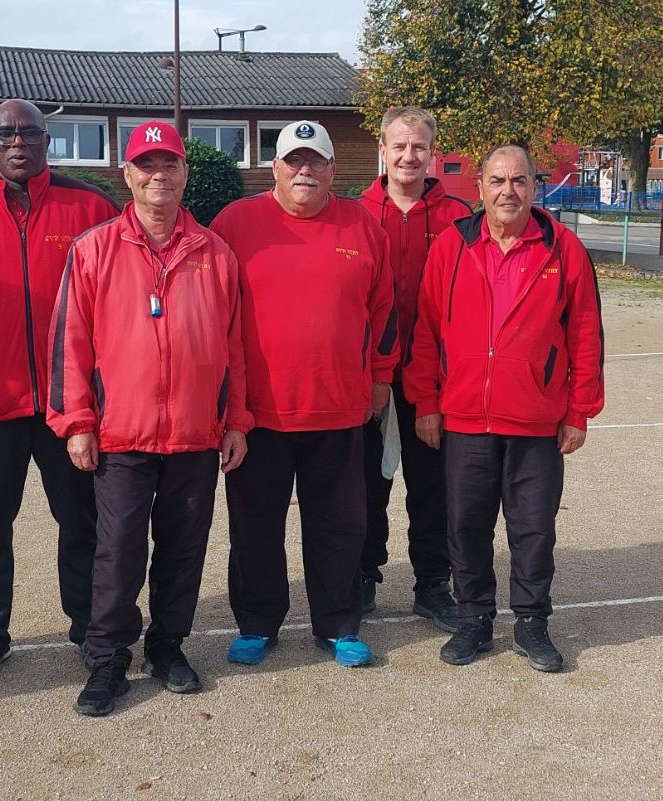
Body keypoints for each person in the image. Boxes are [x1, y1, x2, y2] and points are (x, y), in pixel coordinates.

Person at [49, 121, 248, 716]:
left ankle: (168, 645)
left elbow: (234, 346)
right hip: (122, 434)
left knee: (184, 548)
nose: (158, 175)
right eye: (146, 165)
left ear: (186, 173)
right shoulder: (93, 248)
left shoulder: (215, 252)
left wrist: (235, 418)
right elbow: (69, 343)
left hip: (193, 432)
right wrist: (77, 420)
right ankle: (108, 657)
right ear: (127, 175)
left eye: (170, 164)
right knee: (118, 549)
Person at [0, 99, 119, 682]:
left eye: (30, 133)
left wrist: (100, 400)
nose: (18, 142)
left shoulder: (89, 205)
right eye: (5, 133)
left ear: (48, 140)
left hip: (70, 407)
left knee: (82, 523)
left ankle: (89, 627)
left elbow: (114, 310)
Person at [405, 144, 604, 672]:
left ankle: (532, 622)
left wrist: (579, 409)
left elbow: (586, 333)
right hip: (465, 417)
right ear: (480, 188)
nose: (507, 191)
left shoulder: (563, 248)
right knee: (466, 526)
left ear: (534, 187)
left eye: (519, 181)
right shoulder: (452, 246)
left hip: (536, 420)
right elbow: (426, 331)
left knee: (534, 528)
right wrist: (427, 401)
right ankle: (474, 619)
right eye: (497, 180)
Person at [211, 120, 397, 669]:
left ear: (333, 170)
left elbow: (383, 311)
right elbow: (212, 312)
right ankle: (257, 622)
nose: (304, 170)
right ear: (275, 168)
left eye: (315, 161)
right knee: (255, 527)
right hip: (258, 413)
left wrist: (380, 378)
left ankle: (338, 624)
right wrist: (226, 405)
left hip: (340, 408)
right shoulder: (235, 223)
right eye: (294, 160)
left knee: (339, 526)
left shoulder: (362, 226)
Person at [356, 107, 471, 630]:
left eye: (419, 147)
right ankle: (363, 575)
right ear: (382, 150)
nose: (408, 156)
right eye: (399, 146)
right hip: (368, 376)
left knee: (432, 485)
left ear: (432, 154)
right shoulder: (354, 213)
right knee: (365, 484)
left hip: (436, 377)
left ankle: (432, 582)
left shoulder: (461, 217)